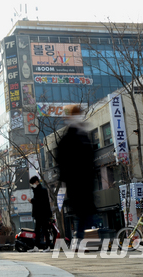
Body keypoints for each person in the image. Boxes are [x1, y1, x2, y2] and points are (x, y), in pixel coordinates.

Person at [56, 105, 96, 249]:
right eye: (77, 114)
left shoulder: (83, 134)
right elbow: (61, 160)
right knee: (84, 213)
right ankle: (80, 240)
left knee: (86, 213)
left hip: (86, 182)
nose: (81, 116)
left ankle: (81, 240)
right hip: (76, 182)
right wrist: (66, 181)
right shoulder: (70, 137)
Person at [28, 176, 52, 252]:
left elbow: (41, 202)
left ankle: (48, 246)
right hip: (38, 215)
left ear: (37, 182)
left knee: (45, 230)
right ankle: (36, 246)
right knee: (37, 231)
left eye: (33, 183)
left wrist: (32, 200)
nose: (32, 185)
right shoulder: (36, 190)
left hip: (43, 214)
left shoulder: (42, 190)